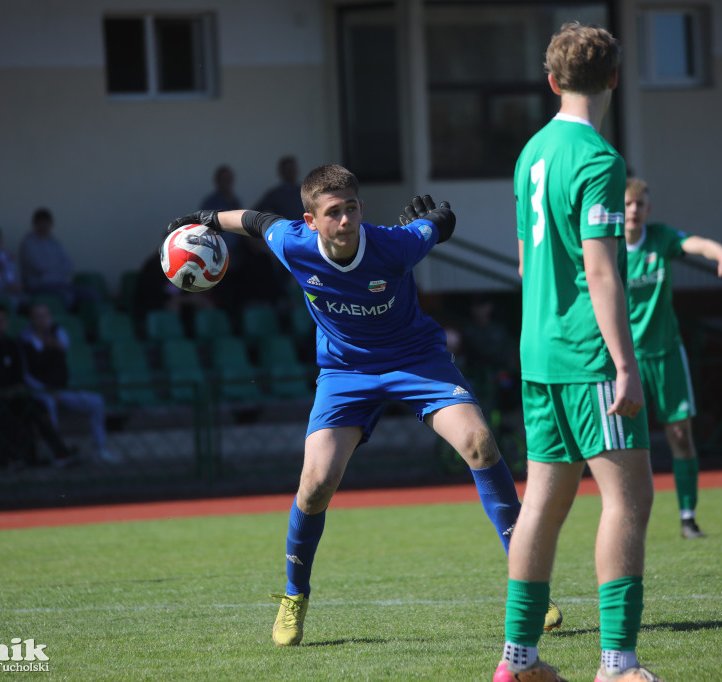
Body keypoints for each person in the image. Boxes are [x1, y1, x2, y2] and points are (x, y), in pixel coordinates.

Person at [164, 164, 556, 649]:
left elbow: (434, 223)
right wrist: (204, 217)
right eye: (333, 212)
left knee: (479, 442)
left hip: (417, 361)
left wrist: (441, 222)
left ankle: (528, 583)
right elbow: (254, 220)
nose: (346, 220)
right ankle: (294, 595)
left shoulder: (395, 245)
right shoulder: (292, 244)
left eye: (351, 208)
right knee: (315, 485)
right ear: (310, 222)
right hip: (344, 374)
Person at [497, 22, 661, 682]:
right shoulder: (598, 159)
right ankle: (617, 665)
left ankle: (518, 661)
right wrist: (625, 364)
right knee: (628, 500)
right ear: (615, 79)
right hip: (586, 354)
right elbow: (599, 270)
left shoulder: (530, 153)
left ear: (552, 80)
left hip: (537, 353)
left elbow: (521, 262)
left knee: (542, 503)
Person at [623, 177, 722, 539]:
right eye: (627, 204)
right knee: (626, 445)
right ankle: (625, 520)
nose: (634, 211)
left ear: (648, 210)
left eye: (640, 205)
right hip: (628, 361)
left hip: (668, 353)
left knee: (680, 435)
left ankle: (688, 516)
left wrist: (718, 252)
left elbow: (696, 243)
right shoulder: (606, 248)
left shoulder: (659, 238)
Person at [0, 301, 79, 470]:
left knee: (36, 407)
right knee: (3, 413)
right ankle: (11, 457)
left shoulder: (11, 345)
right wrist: (0, 391)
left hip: (12, 396)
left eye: (4, 319)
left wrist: (18, 387)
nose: (1, 323)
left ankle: (59, 452)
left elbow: (18, 374)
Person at [19, 302, 119, 463]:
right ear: (31, 319)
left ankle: (100, 449)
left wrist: (55, 342)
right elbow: (25, 374)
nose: (42, 320)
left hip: (61, 390)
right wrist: (45, 390)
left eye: (45, 316)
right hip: (39, 392)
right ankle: (58, 452)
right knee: (48, 405)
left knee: (97, 402)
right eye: (38, 316)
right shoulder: (23, 340)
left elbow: (65, 347)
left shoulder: (58, 333)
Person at [19, 208, 100, 311]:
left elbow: (69, 265)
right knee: (67, 296)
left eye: (46, 222)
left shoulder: (54, 242)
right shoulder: (28, 243)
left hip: (60, 283)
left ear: (51, 223)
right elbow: (40, 267)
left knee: (91, 293)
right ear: (34, 223)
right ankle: (64, 322)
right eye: (41, 222)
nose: (44, 225)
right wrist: (58, 267)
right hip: (38, 286)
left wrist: (52, 268)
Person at [254, 155, 305, 220]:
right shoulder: (275, 195)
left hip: (304, 228)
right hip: (285, 228)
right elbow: (256, 212)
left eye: (293, 170)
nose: (291, 173)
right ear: (281, 172)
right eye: (288, 171)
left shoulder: (305, 191)